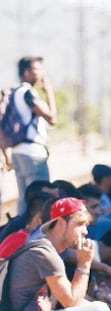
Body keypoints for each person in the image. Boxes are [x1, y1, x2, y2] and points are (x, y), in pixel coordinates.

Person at [9, 57, 56, 215]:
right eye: (37, 69)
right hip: (33, 153)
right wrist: (49, 92)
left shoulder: (13, 92)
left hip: (17, 151)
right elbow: (52, 118)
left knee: (24, 198)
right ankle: (35, 236)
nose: (41, 73)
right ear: (27, 72)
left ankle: (21, 234)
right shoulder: (28, 93)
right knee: (41, 198)